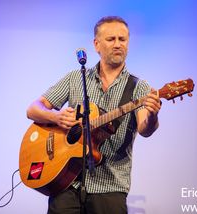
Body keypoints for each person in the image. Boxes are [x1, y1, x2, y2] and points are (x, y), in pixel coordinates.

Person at [26, 16, 161, 214]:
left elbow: (145, 129)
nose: (117, 44)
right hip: (67, 184)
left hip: (110, 188)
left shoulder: (138, 87)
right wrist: (56, 117)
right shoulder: (75, 78)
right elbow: (33, 109)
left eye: (122, 39)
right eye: (111, 39)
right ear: (96, 45)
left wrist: (153, 115)